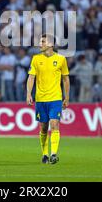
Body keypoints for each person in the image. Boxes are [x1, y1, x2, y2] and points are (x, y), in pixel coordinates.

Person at [26, 34, 70, 164]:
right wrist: (29, 93)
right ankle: (45, 154)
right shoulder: (35, 59)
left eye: (43, 42)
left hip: (55, 98)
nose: (40, 44)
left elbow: (66, 79)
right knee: (44, 127)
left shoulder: (61, 59)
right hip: (40, 99)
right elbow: (31, 77)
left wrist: (66, 97)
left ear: (51, 44)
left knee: (54, 124)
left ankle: (54, 154)